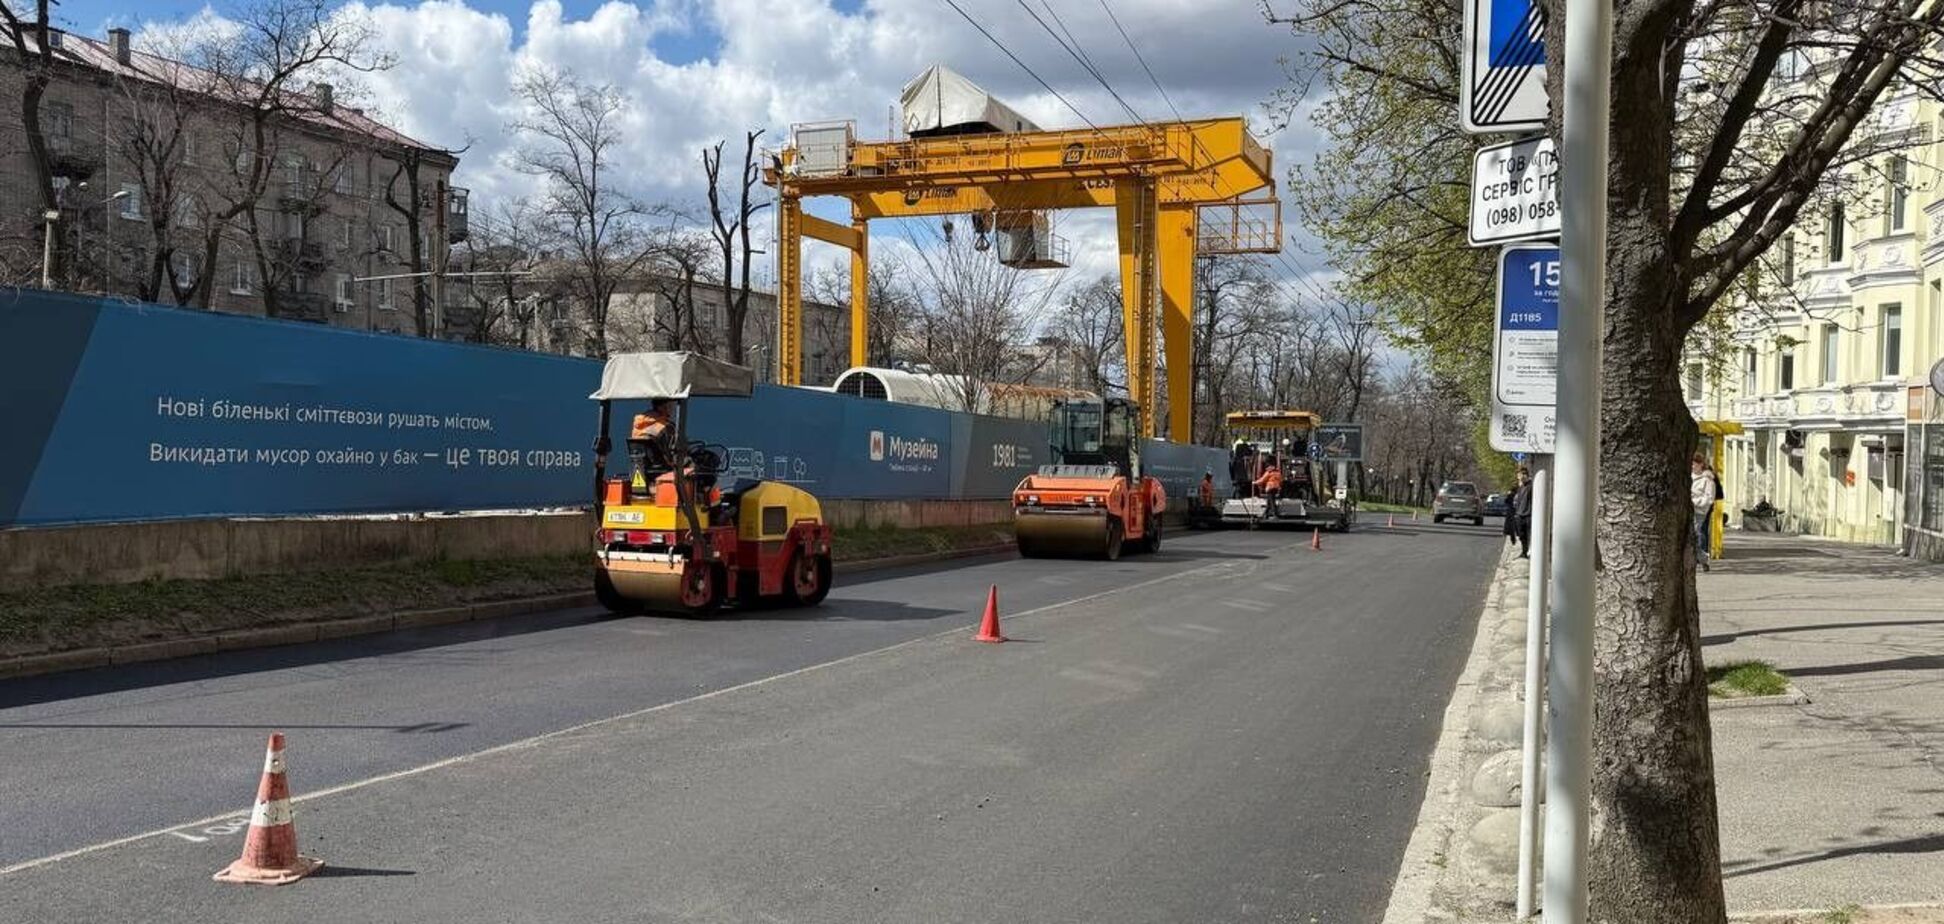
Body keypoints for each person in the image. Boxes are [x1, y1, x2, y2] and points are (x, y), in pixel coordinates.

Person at [628, 398, 676, 483]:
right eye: (671, 405)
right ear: (662, 407)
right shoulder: (666, 427)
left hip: (640, 468)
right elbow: (672, 455)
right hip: (661, 469)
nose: (673, 408)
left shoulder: (639, 425)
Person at [1690, 453, 1717, 572]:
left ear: (1701, 464)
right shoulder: (1687, 477)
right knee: (1688, 537)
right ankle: (1701, 558)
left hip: (1699, 511)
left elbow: (1709, 498)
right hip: (1686, 510)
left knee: (1696, 535)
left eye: (1694, 464)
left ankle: (1703, 558)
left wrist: (1695, 502)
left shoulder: (1707, 480)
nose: (1692, 467)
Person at [1507, 468, 1533, 558]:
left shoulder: (1531, 486)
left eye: (1520, 475)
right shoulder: (1521, 487)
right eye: (1518, 476)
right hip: (1519, 515)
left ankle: (1529, 551)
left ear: (1524, 475)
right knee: (1522, 535)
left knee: (1529, 534)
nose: (1518, 477)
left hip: (1528, 514)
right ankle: (1524, 552)